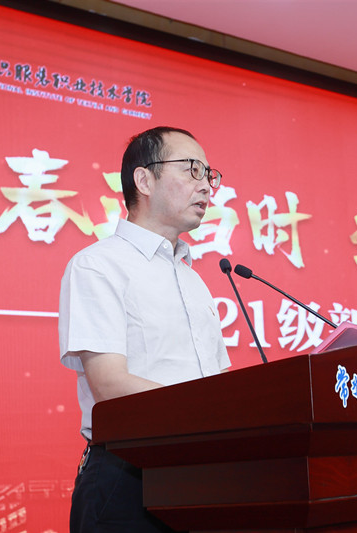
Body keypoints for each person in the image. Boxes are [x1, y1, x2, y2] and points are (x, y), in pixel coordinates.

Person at [58, 126, 231, 532]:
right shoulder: (98, 265)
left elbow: (220, 381)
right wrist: (208, 408)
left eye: (209, 175)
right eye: (192, 169)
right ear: (144, 179)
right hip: (128, 476)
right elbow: (109, 384)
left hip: (204, 474)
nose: (206, 186)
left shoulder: (193, 279)